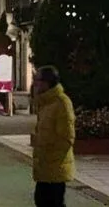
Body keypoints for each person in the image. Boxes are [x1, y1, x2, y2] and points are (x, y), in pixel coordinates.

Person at [30, 66, 75, 207]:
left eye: (37, 80)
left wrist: (52, 158)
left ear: (47, 82)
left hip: (54, 168)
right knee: (41, 201)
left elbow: (67, 137)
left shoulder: (62, 103)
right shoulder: (45, 103)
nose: (34, 84)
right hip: (44, 168)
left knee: (53, 203)